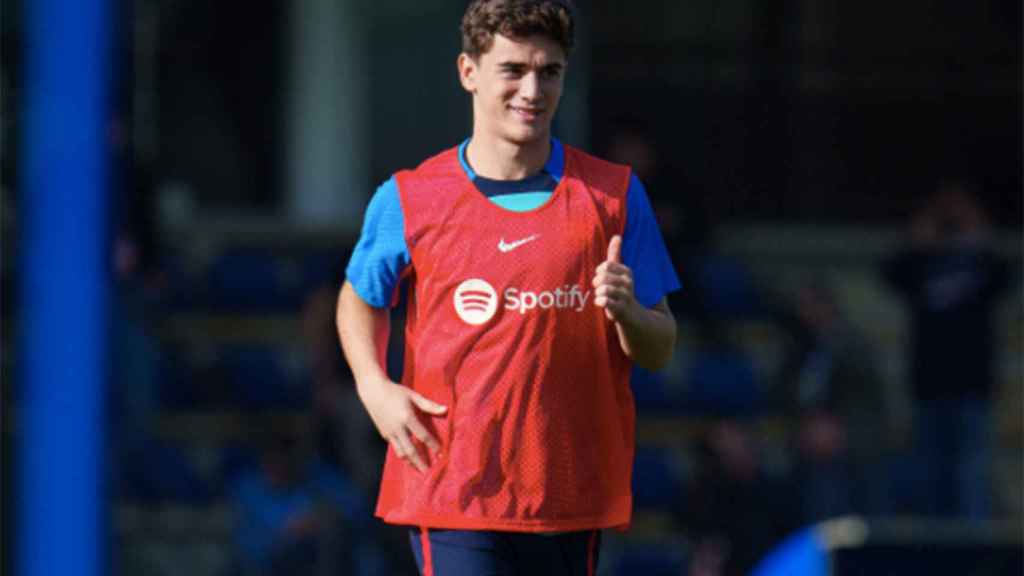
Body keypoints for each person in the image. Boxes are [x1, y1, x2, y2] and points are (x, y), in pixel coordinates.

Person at [335, 1, 680, 573]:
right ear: (468, 72)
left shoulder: (614, 197)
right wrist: (375, 386)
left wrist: (627, 313)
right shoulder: (411, 196)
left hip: (570, 495)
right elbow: (359, 298)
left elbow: (660, 346)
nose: (532, 89)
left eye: (549, 72)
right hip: (452, 490)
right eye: (513, 70)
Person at [881, 181, 1010, 519]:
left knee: (971, 472)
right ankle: (933, 549)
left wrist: (974, 226)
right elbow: (890, 273)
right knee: (929, 473)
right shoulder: (921, 263)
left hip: (973, 384)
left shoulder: (981, 263)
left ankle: (975, 553)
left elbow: (1005, 275)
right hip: (928, 383)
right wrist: (921, 234)